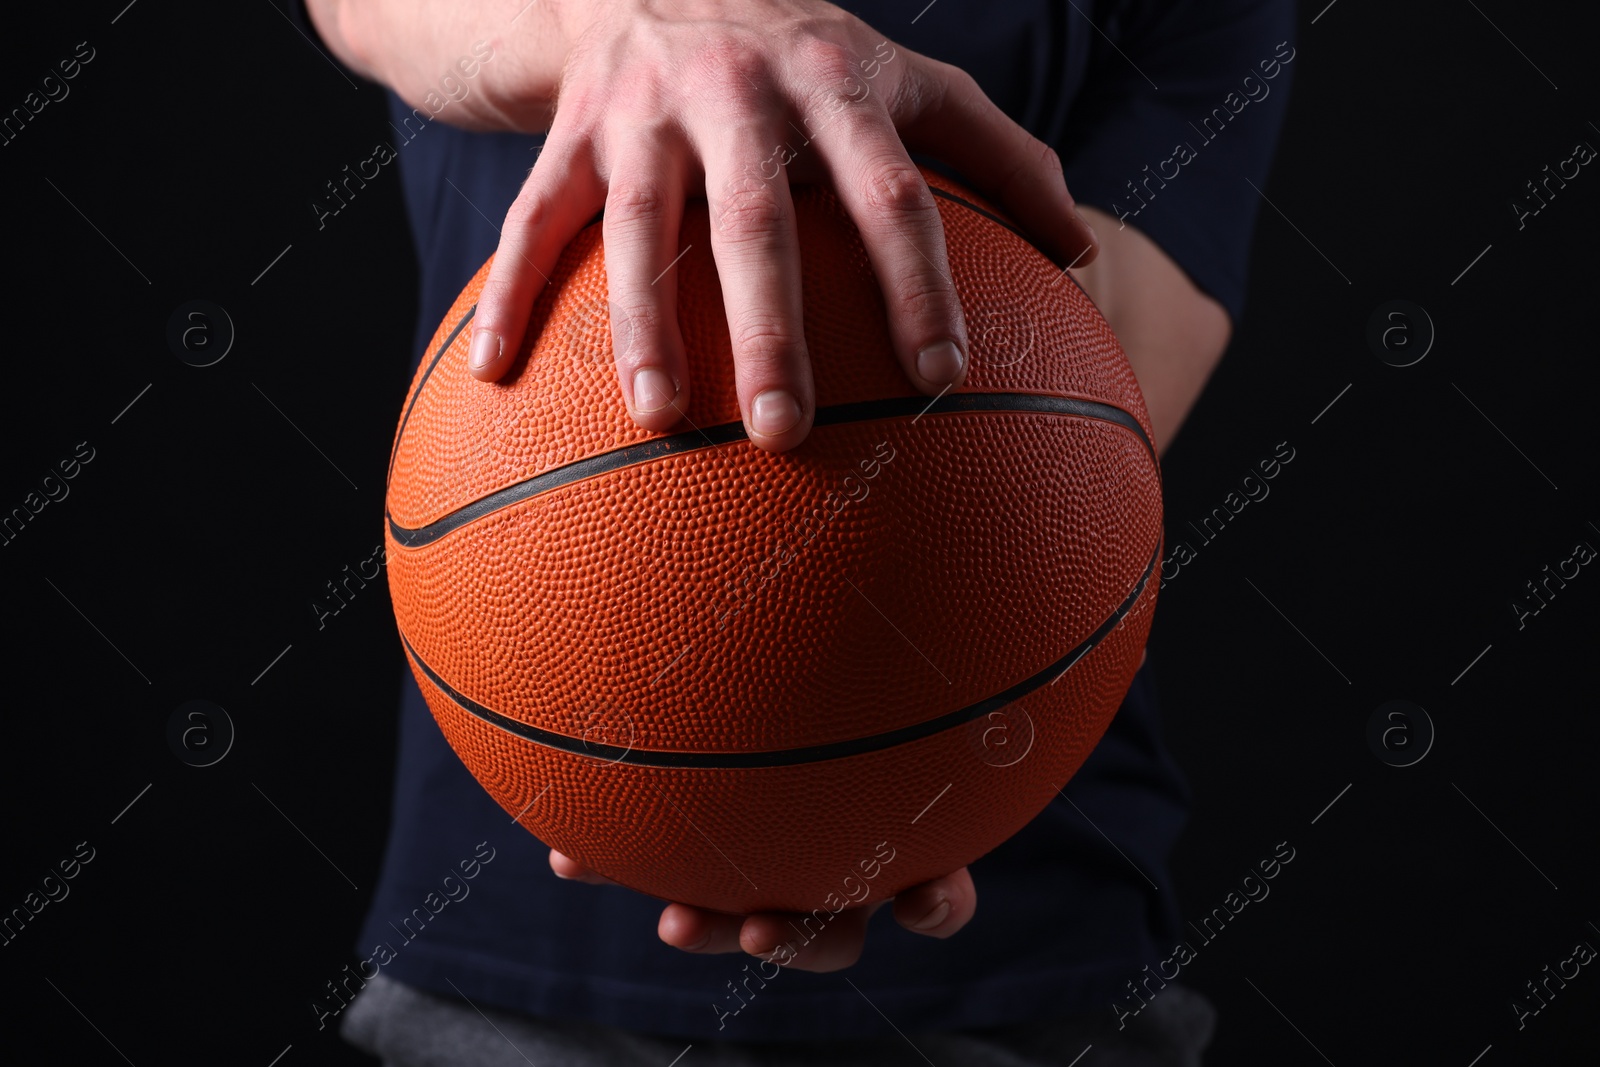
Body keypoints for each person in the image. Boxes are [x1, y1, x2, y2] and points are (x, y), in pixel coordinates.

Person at [297, 1, 1294, 1063]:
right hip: (514, 920)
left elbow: (1088, 439)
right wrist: (619, 30)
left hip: (1010, 923)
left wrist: (859, 759)